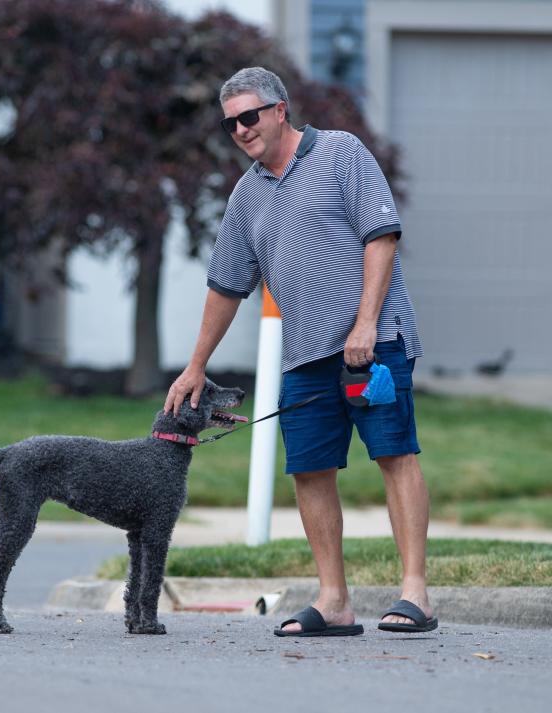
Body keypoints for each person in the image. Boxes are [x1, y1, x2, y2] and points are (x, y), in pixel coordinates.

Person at [165, 67, 435, 636]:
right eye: (230, 122)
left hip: (374, 343)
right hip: (304, 355)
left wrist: (366, 326)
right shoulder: (246, 195)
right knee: (310, 471)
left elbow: (380, 236)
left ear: (280, 109)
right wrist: (196, 365)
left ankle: (416, 593)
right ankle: (334, 601)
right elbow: (225, 286)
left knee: (394, 456)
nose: (240, 130)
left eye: (249, 116)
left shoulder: (340, 153)